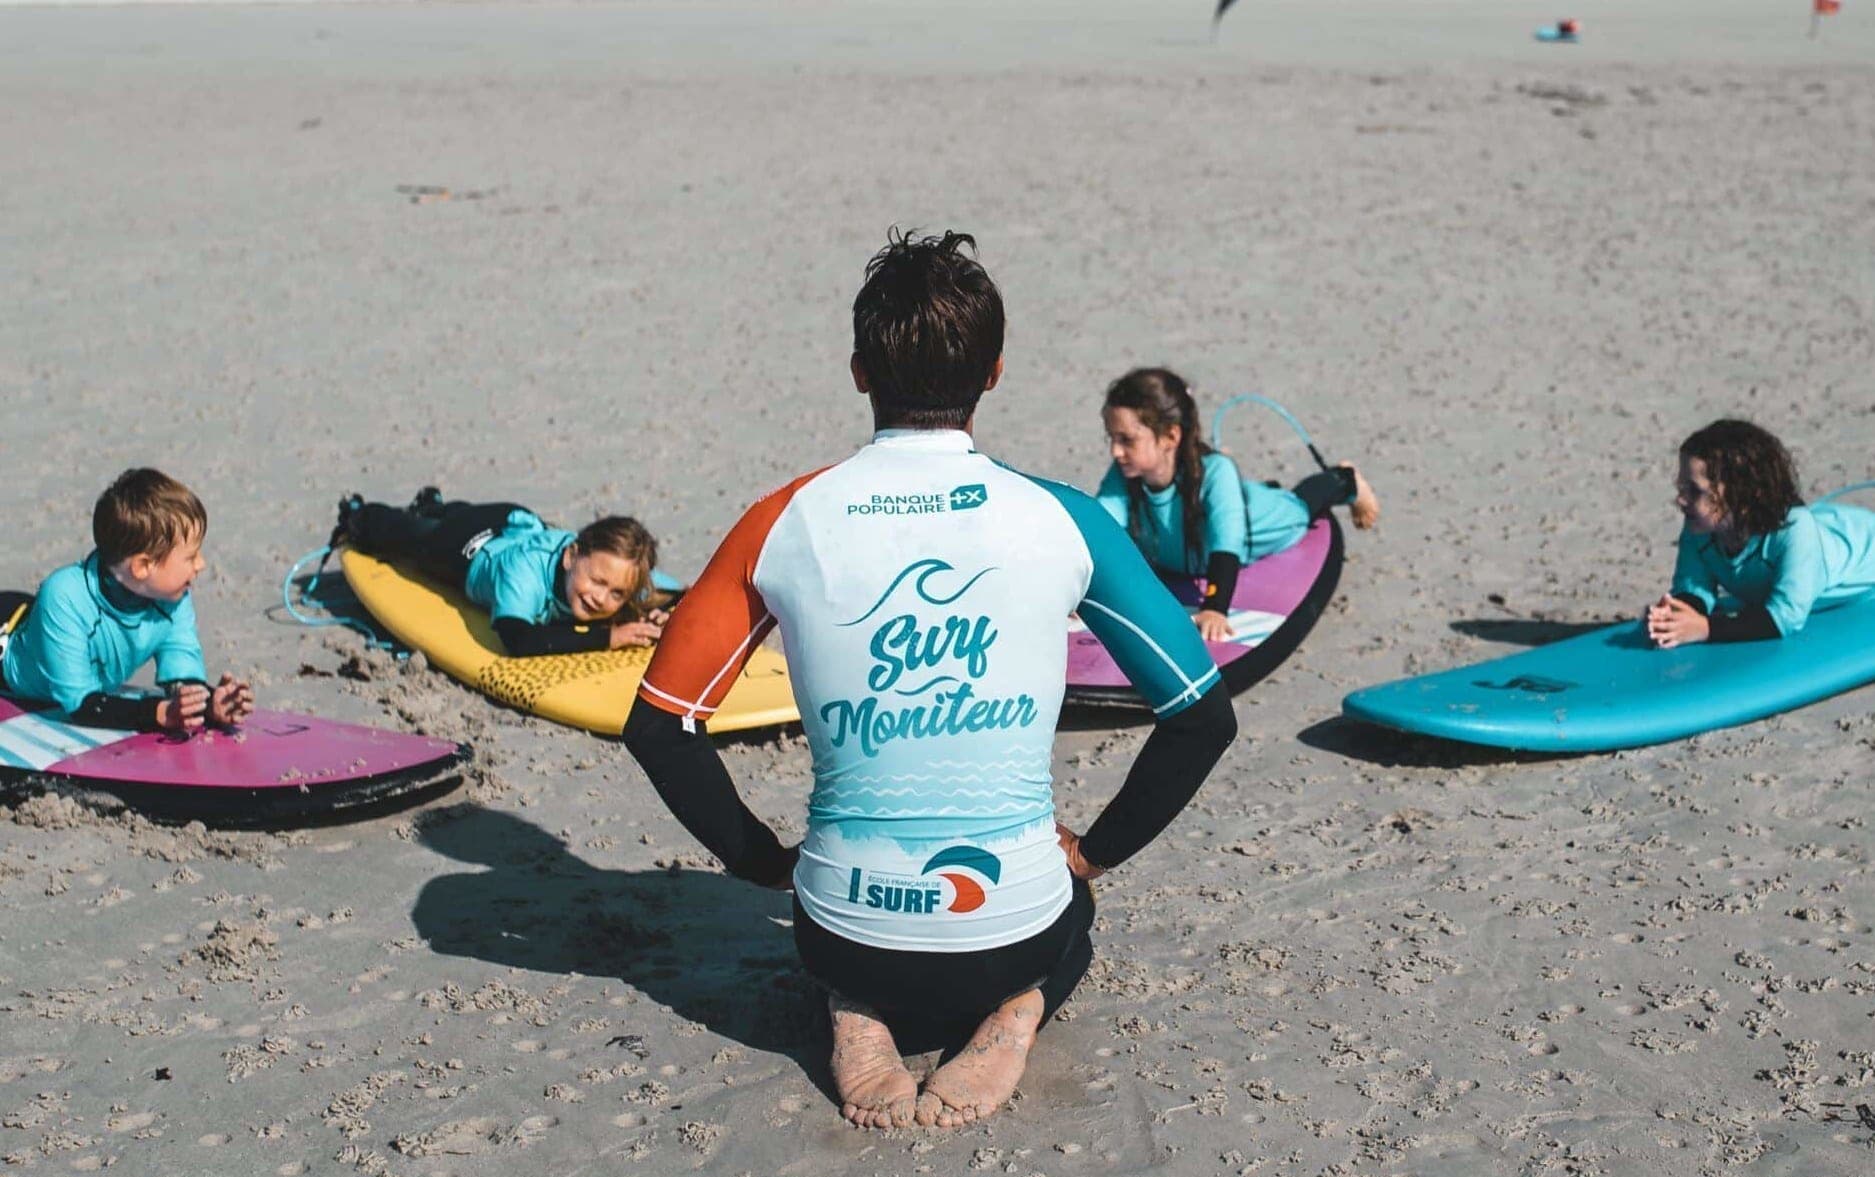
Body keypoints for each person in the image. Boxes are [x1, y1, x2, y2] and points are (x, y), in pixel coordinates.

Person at [621, 230, 1236, 1131]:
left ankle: (854, 1012)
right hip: (1012, 931)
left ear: (860, 371)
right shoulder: (1062, 518)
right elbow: (1200, 718)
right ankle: (1015, 1013)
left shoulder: (780, 521)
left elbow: (659, 728)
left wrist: (763, 865)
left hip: (839, 934)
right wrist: (1094, 851)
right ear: (992, 373)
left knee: (845, 938)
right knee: (1072, 911)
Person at [1096, 368, 1379, 642]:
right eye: (1112, 438)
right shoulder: (1123, 473)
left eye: (1127, 440)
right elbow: (1097, 532)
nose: (1115, 451)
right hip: (1218, 516)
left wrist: (1215, 608)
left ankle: (1345, 480)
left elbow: (1226, 546)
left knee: (1298, 506)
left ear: (1171, 436)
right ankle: (1259, 489)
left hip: (1260, 521)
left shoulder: (1216, 473)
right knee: (1238, 495)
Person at [0, 468, 252, 732]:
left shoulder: (171, 596)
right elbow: (80, 704)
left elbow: (181, 671)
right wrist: (160, 713)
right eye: (190, 557)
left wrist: (209, 703)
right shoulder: (65, 597)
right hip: (7, 645)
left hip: (35, 621)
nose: (201, 564)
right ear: (143, 567)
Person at [336, 490, 668, 657]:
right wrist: (609, 638)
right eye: (597, 582)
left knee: (448, 515)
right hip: (470, 549)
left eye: (616, 594)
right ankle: (357, 514)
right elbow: (518, 640)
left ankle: (433, 504)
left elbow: (673, 593)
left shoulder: (617, 572)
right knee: (416, 537)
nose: (600, 597)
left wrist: (661, 614)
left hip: (519, 527)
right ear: (570, 557)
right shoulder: (523, 579)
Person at [1647, 419, 1875, 647]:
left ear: (1742, 495)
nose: (1681, 500)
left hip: (1866, 547)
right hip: (1827, 527)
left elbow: (1786, 616)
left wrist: (1705, 628)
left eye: (1695, 491)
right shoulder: (1700, 527)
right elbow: (1694, 586)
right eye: (1681, 487)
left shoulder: (1793, 532)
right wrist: (1679, 614)